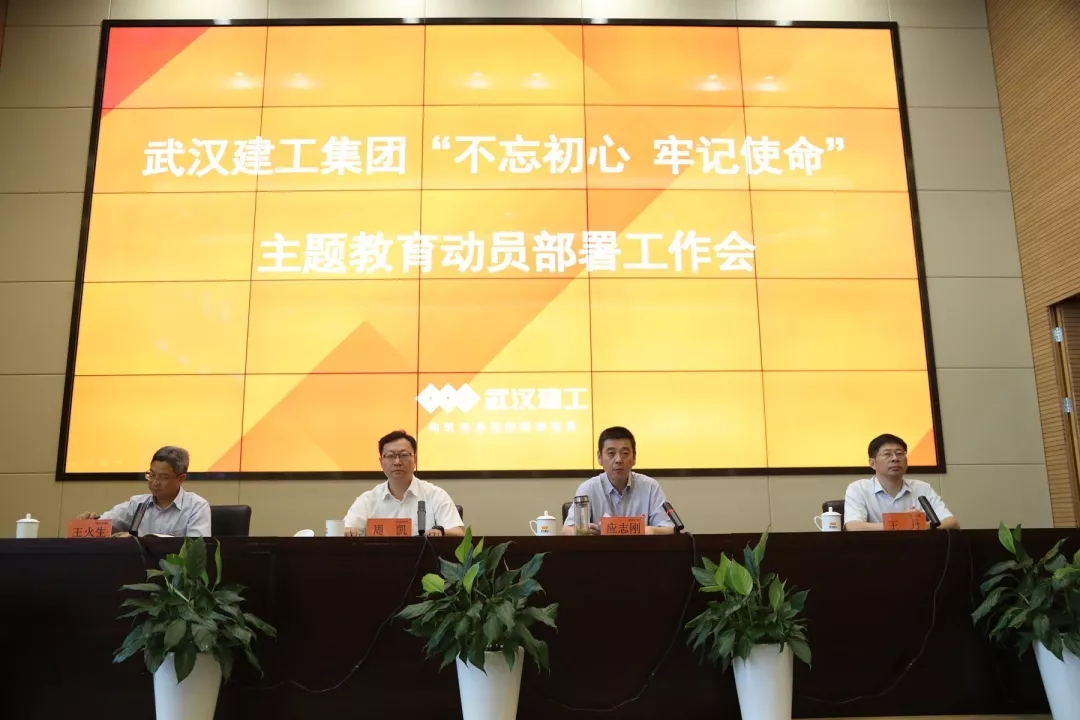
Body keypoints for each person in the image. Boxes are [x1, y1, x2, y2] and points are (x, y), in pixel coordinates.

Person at [343, 430, 464, 537]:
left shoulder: (435, 495)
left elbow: (458, 533)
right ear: (381, 462)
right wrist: (350, 531)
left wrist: (440, 532)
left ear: (415, 460)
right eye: (390, 456)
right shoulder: (367, 500)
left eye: (404, 455)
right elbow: (346, 530)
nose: (397, 462)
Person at [75, 446, 211, 537]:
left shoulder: (196, 506)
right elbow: (104, 525)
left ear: (181, 478)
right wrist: (89, 523)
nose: (155, 482)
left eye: (163, 477)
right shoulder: (137, 504)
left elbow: (196, 551)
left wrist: (139, 542)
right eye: (151, 475)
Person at [562, 426, 674, 535]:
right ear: (600, 457)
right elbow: (567, 530)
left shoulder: (650, 487)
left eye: (625, 453)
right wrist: (583, 531)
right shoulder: (588, 488)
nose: (618, 460)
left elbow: (670, 529)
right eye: (611, 453)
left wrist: (650, 531)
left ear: (634, 457)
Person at [844, 433, 959, 531]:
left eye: (900, 453)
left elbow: (951, 522)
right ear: (872, 463)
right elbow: (853, 526)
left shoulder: (922, 488)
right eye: (887, 454)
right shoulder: (859, 488)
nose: (895, 458)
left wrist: (923, 525)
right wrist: (903, 523)